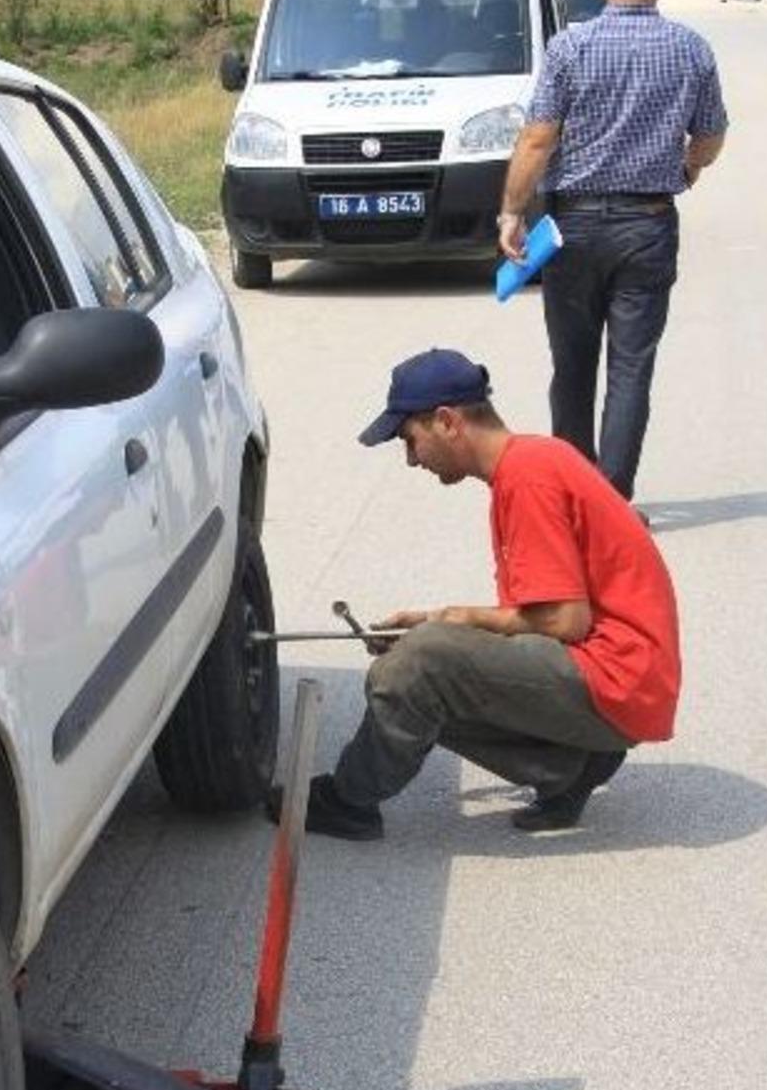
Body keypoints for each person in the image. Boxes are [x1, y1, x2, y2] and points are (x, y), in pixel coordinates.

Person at [269, 348, 681, 841]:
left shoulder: (527, 476)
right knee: (430, 653)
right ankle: (570, 766)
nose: (409, 459)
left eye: (410, 440)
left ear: (446, 421)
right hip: (623, 678)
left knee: (415, 665)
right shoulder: (532, 461)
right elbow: (545, 614)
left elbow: (566, 621)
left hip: (619, 677)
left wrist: (454, 622)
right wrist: (438, 622)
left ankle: (350, 801)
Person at [498, 0, 727, 506]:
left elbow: (536, 140)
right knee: (631, 369)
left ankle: (575, 497)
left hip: (572, 228)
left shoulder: (569, 48)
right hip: (648, 224)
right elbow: (709, 135)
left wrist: (510, 213)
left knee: (572, 365)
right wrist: (689, 169)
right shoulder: (691, 48)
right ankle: (613, 500)